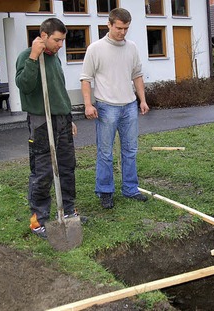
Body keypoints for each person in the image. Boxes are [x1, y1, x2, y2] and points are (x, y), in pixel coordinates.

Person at [15, 18, 83, 239]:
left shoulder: (55, 59)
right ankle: (38, 220)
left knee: (66, 166)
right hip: (41, 121)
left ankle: (69, 210)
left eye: (63, 40)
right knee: (43, 171)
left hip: (61, 119)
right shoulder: (27, 56)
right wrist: (34, 57)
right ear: (43, 36)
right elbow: (25, 86)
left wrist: (68, 116)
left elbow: (59, 90)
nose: (60, 45)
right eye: (57, 40)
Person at [80, 8, 150, 209]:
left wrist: (142, 100)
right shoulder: (95, 49)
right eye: (119, 28)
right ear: (109, 25)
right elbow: (86, 79)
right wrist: (87, 104)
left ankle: (130, 189)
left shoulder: (132, 47)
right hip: (106, 107)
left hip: (129, 106)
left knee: (130, 150)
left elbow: (137, 75)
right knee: (105, 152)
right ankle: (105, 191)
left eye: (126, 28)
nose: (122, 32)